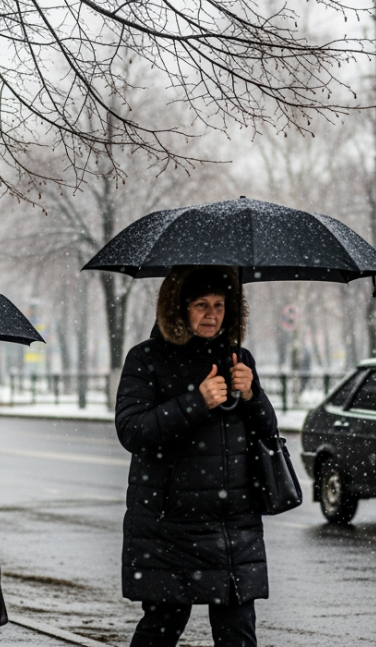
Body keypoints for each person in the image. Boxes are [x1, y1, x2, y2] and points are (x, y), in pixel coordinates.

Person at [115, 266, 279, 647]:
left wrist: (253, 395)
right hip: (170, 526)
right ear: (178, 309)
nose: (212, 314)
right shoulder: (147, 359)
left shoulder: (240, 358)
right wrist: (196, 402)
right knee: (162, 628)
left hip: (233, 526)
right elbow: (132, 430)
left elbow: (268, 432)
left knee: (238, 633)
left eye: (220, 305)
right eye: (201, 304)